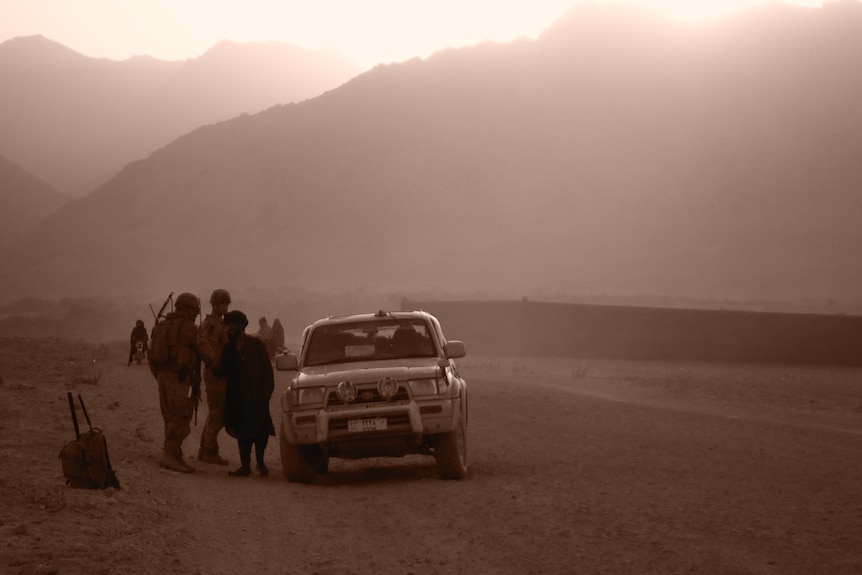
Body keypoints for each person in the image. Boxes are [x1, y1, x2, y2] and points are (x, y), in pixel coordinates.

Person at [148, 292, 215, 474]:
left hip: (163, 377)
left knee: (169, 416)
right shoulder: (191, 329)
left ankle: (174, 453)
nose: (195, 314)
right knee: (180, 417)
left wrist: (161, 376)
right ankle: (169, 454)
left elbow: (151, 356)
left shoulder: (161, 327)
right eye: (194, 310)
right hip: (181, 379)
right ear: (189, 310)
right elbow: (207, 354)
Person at [217, 310, 275, 477]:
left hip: (257, 397)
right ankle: (245, 466)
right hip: (237, 398)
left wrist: (266, 394)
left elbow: (267, 372)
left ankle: (261, 463)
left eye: (232, 325)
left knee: (260, 432)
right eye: (228, 326)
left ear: (241, 326)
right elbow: (220, 369)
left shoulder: (256, 344)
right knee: (242, 433)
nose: (229, 329)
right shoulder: (228, 348)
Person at [196, 288, 232, 466]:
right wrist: (216, 364)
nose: (226, 307)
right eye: (224, 304)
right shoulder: (213, 324)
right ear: (216, 305)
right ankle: (209, 451)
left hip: (216, 372)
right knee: (217, 413)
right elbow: (206, 346)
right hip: (215, 374)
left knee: (215, 412)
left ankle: (205, 449)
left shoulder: (217, 322)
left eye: (227, 304)